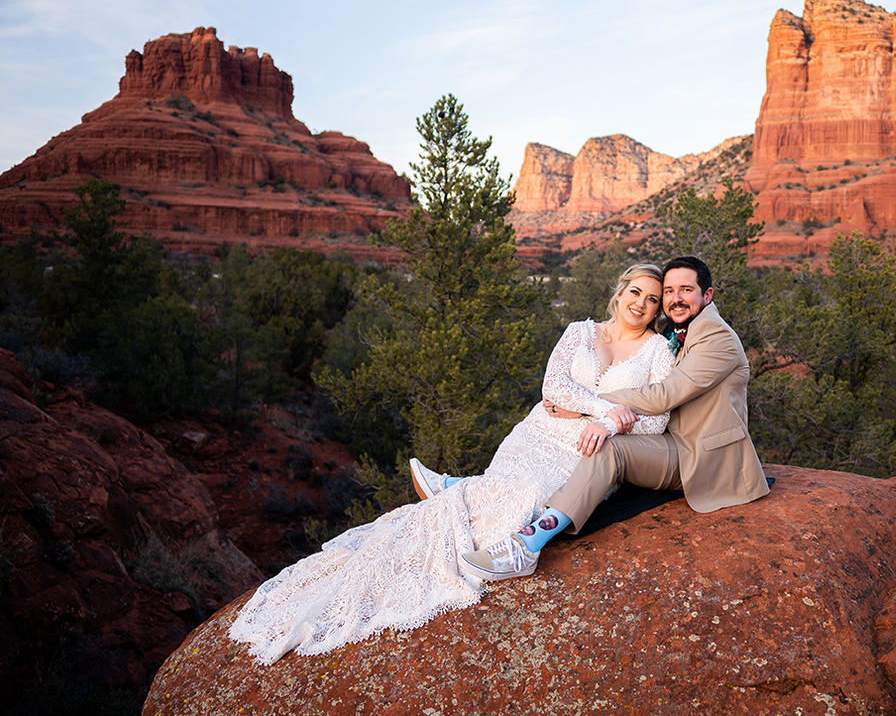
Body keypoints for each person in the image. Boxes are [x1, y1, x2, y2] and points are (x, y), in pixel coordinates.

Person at [228, 264, 674, 664]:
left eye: (652, 299)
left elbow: (655, 422)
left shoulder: (657, 351)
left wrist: (604, 422)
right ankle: (456, 490)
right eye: (636, 292)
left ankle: (454, 487)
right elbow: (552, 386)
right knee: (509, 486)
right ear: (619, 293)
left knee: (525, 498)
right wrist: (601, 411)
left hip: (586, 450)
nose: (641, 303)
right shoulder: (579, 331)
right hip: (538, 434)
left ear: (657, 309)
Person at [459, 256, 770, 581]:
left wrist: (591, 407)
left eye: (686, 290)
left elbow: (665, 396)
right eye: (669, 291)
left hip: (700, 455)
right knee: (605, 443)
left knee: (611, 447)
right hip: (670, 442)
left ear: (707, 295)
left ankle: (527, 544)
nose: (675, 298)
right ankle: (479, 490)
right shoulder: (679, 331)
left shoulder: (715, 336)